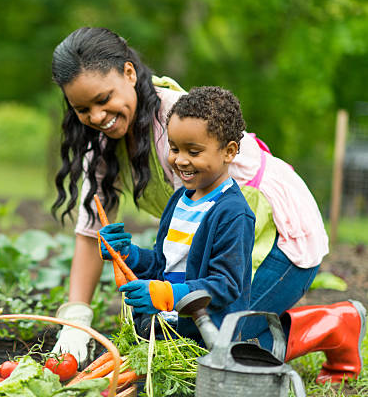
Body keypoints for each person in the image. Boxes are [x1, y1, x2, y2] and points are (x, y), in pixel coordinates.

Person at [50, 26, 365, 384]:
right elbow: (92, 234)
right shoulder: (104, 143)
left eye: (103, 98)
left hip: (279, 235)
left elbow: (224, 274)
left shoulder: (180, 128)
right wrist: (76, 321)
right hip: (218, 247)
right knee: (176, 335)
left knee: (220, 348)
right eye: (82, 109)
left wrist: (172, 295)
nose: (96, 116)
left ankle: (334, 325)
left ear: (129, 73)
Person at [99, 86, 254, 344]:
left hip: (204, 342)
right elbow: (164, 265)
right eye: (174, 148)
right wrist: (129, 255)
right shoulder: (179, 201)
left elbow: (225, 286)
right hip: (167, 331)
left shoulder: (233, 213)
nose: (180, 160)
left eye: (193, 152)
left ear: (229, 151)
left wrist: (168, 295)